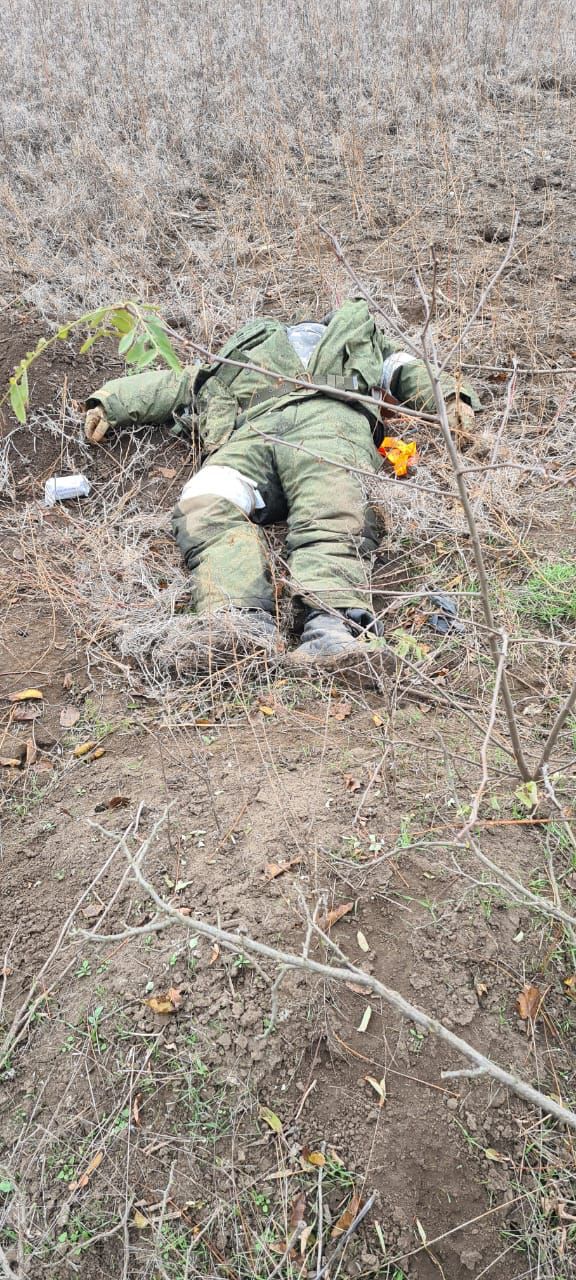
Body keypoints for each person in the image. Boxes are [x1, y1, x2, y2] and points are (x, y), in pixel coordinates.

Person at [84, 298, 479, 668]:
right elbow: (183, 382)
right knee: (205, 501)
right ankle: (238, 622)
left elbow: (404, 369)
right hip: (250, 432)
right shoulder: (240, 352)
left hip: (329, 419)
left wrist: (451, 396)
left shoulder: (359, 335)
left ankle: (332, 625)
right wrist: (111, 402)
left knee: (334, 506)